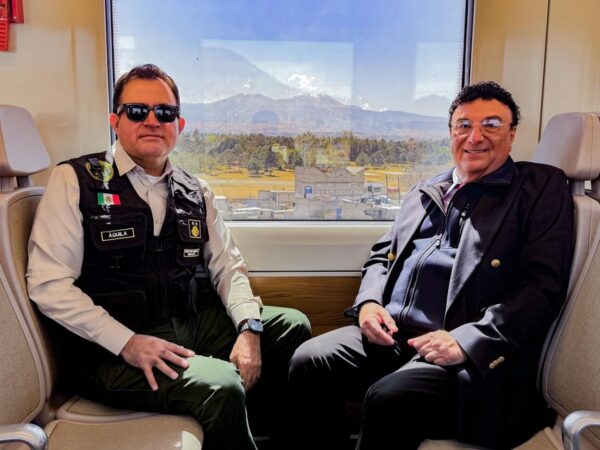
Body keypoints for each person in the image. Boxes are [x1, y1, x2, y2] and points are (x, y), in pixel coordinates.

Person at [27, 63, 311, 450]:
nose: (152, 121)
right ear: (115, 121)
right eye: (136, 111)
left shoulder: (196, 190)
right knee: (222, 385)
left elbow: (228, 267)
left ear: (179, 125)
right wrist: (127, 342)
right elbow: (49, 286)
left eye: (164, 112)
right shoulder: (75, 181)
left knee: (291, 326)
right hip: (108, 350)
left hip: (186, 325)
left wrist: (249, 328)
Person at [288, 81, 574, 450]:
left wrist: (466, 340)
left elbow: (542, 287)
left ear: (512, 134)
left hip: (467, 356)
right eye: (464, 125)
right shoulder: (427, 190)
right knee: (308, 361)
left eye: (491, 124)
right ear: (451, 132)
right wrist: (369, 304)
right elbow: (381, 255)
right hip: (394, 337)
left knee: (389, 398)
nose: (475, 137)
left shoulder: (538, 189)